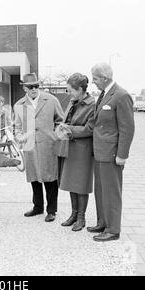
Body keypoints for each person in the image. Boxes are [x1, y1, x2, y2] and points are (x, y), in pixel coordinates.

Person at [87, 63, 135, 242]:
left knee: (112, 191)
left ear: (105, 78)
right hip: (99, 152)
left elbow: (127, 128)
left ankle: (113, 229)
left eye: (96, 78)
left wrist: (122, 154)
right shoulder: (103, 95)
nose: (93, 82)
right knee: (100, 190)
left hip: (111, 154)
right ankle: (103, 222)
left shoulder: (121, 96)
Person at [13, 73, 64, 222]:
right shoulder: (19, 105)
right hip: (30, 145)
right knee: (34, 177)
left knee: (50, 178)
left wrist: (55, 136)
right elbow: (17, 126)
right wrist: (20, 139)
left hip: (48, 145)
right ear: (24, 88)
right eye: (30, 87)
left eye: (36, 86)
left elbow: (60, 121)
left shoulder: (51, 100)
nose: (34, 89)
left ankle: (52, 210)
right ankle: (38, 207)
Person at [57, 73, 95, 232]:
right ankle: (73, 214)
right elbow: (67, 120)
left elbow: (90, 128)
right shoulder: (73, 101)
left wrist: (69, 129)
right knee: (72, 182)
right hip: (71, 146)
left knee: (81, 184)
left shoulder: (92, 104)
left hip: (83, 149)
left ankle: (81, 217)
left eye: (70, 90)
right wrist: (62, 126)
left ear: (80, 89)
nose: (69, 93)